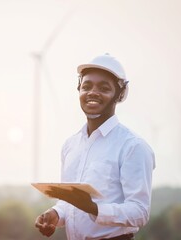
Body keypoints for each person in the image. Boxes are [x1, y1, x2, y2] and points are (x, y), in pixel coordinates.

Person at [34, 53, 155, 240]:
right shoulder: (70, 146)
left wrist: (94, 208)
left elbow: (140, 212)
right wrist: (55, 214)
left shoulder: (133, 146)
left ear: (119, 94)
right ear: (79, 90)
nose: (92, 92)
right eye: (86, 86)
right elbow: (69, 204)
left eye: (104, 88)